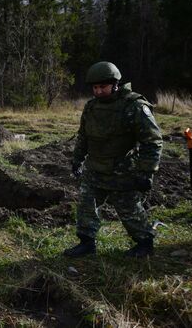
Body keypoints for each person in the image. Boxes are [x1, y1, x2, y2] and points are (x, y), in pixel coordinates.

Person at [64, 61, 163, 258]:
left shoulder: (134, 106)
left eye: (103, 87)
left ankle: (145, 243)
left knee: (129, 210)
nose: (98, 91)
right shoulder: (91, 107)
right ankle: (86, 243)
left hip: (122, 171)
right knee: (86, 205)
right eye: (95, 87)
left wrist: (146, 172)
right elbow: (84, 136)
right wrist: (77, 159)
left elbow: (152, 141)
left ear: (115, 84)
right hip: (94, 168)